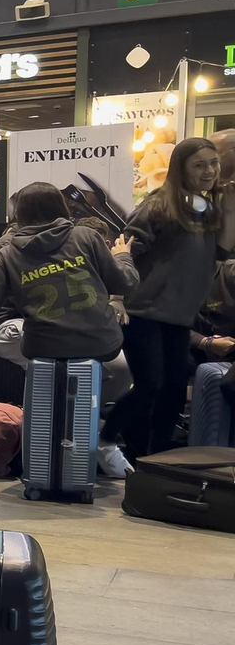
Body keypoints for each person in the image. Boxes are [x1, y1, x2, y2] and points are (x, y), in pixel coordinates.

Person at [0, 181, 138, 475]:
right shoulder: (86, 237)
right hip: (101, 343)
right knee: (115, 375)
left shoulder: (7, 251)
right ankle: (98, 440)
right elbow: (126, 283)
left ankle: (40, 468)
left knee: (42, 383)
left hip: (44, 348)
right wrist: (123, 255)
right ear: (61, 207)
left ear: (20, 214)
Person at [103, 138, 228, 460]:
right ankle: (105, 434)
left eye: (212, 163)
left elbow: (223, 250)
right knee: (151, 385)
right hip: (143, 311)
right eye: (199, 165)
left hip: (179, 315)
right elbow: (125, 249)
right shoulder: (158, 205)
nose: (209, 171)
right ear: (181, 168)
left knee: (173, 388)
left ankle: (157, 458)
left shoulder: (205, 208)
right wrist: (116, 297)